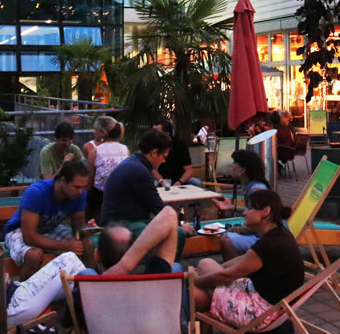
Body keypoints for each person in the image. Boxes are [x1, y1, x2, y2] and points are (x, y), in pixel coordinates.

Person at [193, 190, 305, 331]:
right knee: (205, 264)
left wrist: (195, 280)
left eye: (250, 208)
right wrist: (207, 272)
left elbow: (227, 275)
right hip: (276, 307)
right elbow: (243, 260)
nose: (245, 212)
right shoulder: (280, 234)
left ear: (266, 212)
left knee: (196, 292)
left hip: (261, 314)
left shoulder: (269, 244)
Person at [100, 129, 193, 260]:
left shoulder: (134, 163)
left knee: (174, 231)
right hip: (121, 222)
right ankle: (165, 268)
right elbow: (158, 207)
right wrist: (180, 224)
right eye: (164, 156)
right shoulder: (139, 170)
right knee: (177, 233)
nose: (164, 161)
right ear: (154, 153)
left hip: (128, 218)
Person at [4, 159, 95, 281]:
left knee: (87, 244)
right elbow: (29, 237)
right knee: (34, 255)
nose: (81, 192)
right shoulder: (36, 192)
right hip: (19, 230)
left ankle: (89, 284)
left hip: (49, 229)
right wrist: (65, 246)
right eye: (77, 187)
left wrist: (88, 230)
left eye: (83, 187)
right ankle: (22, 290)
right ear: (63, 180)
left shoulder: (79, 194)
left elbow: (78, 226)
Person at [212, 150, 270, 260]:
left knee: (227, 239)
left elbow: (260, 224)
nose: (231, 165)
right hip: (262, 234)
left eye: (234, 163)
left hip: (266, 238)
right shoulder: (252, 186)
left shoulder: (256, 190)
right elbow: (253, 212)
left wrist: (236, 229)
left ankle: (238, 270)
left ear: (242, 170)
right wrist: (232, 207)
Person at [84, 116, 129, 222]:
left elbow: (90, 181)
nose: (94, 132)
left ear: (103, 132)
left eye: (95, 129)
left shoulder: (95, 152)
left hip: (100, 196)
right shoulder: (125, 149)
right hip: (122, 194)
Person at [152, 118, 203, 187]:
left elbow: (189, 170)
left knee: (196, 182)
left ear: (167, 133)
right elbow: (153, 169)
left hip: (178, 179)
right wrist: (162, 181)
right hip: (160, 179)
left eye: (156, 132)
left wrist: (179, 182)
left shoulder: (180, 145)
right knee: (151, 183)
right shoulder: (152, 145)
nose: (153, 135)